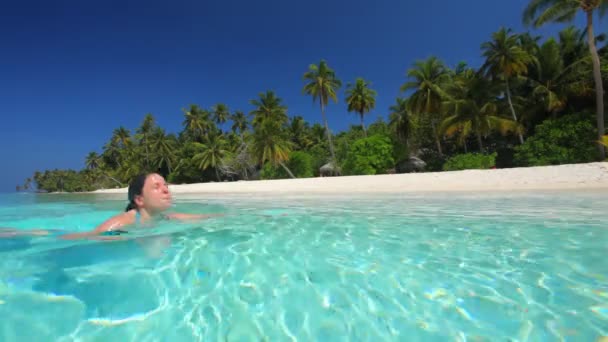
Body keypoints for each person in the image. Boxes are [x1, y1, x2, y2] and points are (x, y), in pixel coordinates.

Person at [0, 173, 220, 241]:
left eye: (166, 185)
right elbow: (89, 236)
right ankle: (15, 231)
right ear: (139, 200)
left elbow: (207, 217)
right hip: (72, 234)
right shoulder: (124, 221)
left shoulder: (168, 218)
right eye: (157, 186)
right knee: (50, 233)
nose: (166, 190)